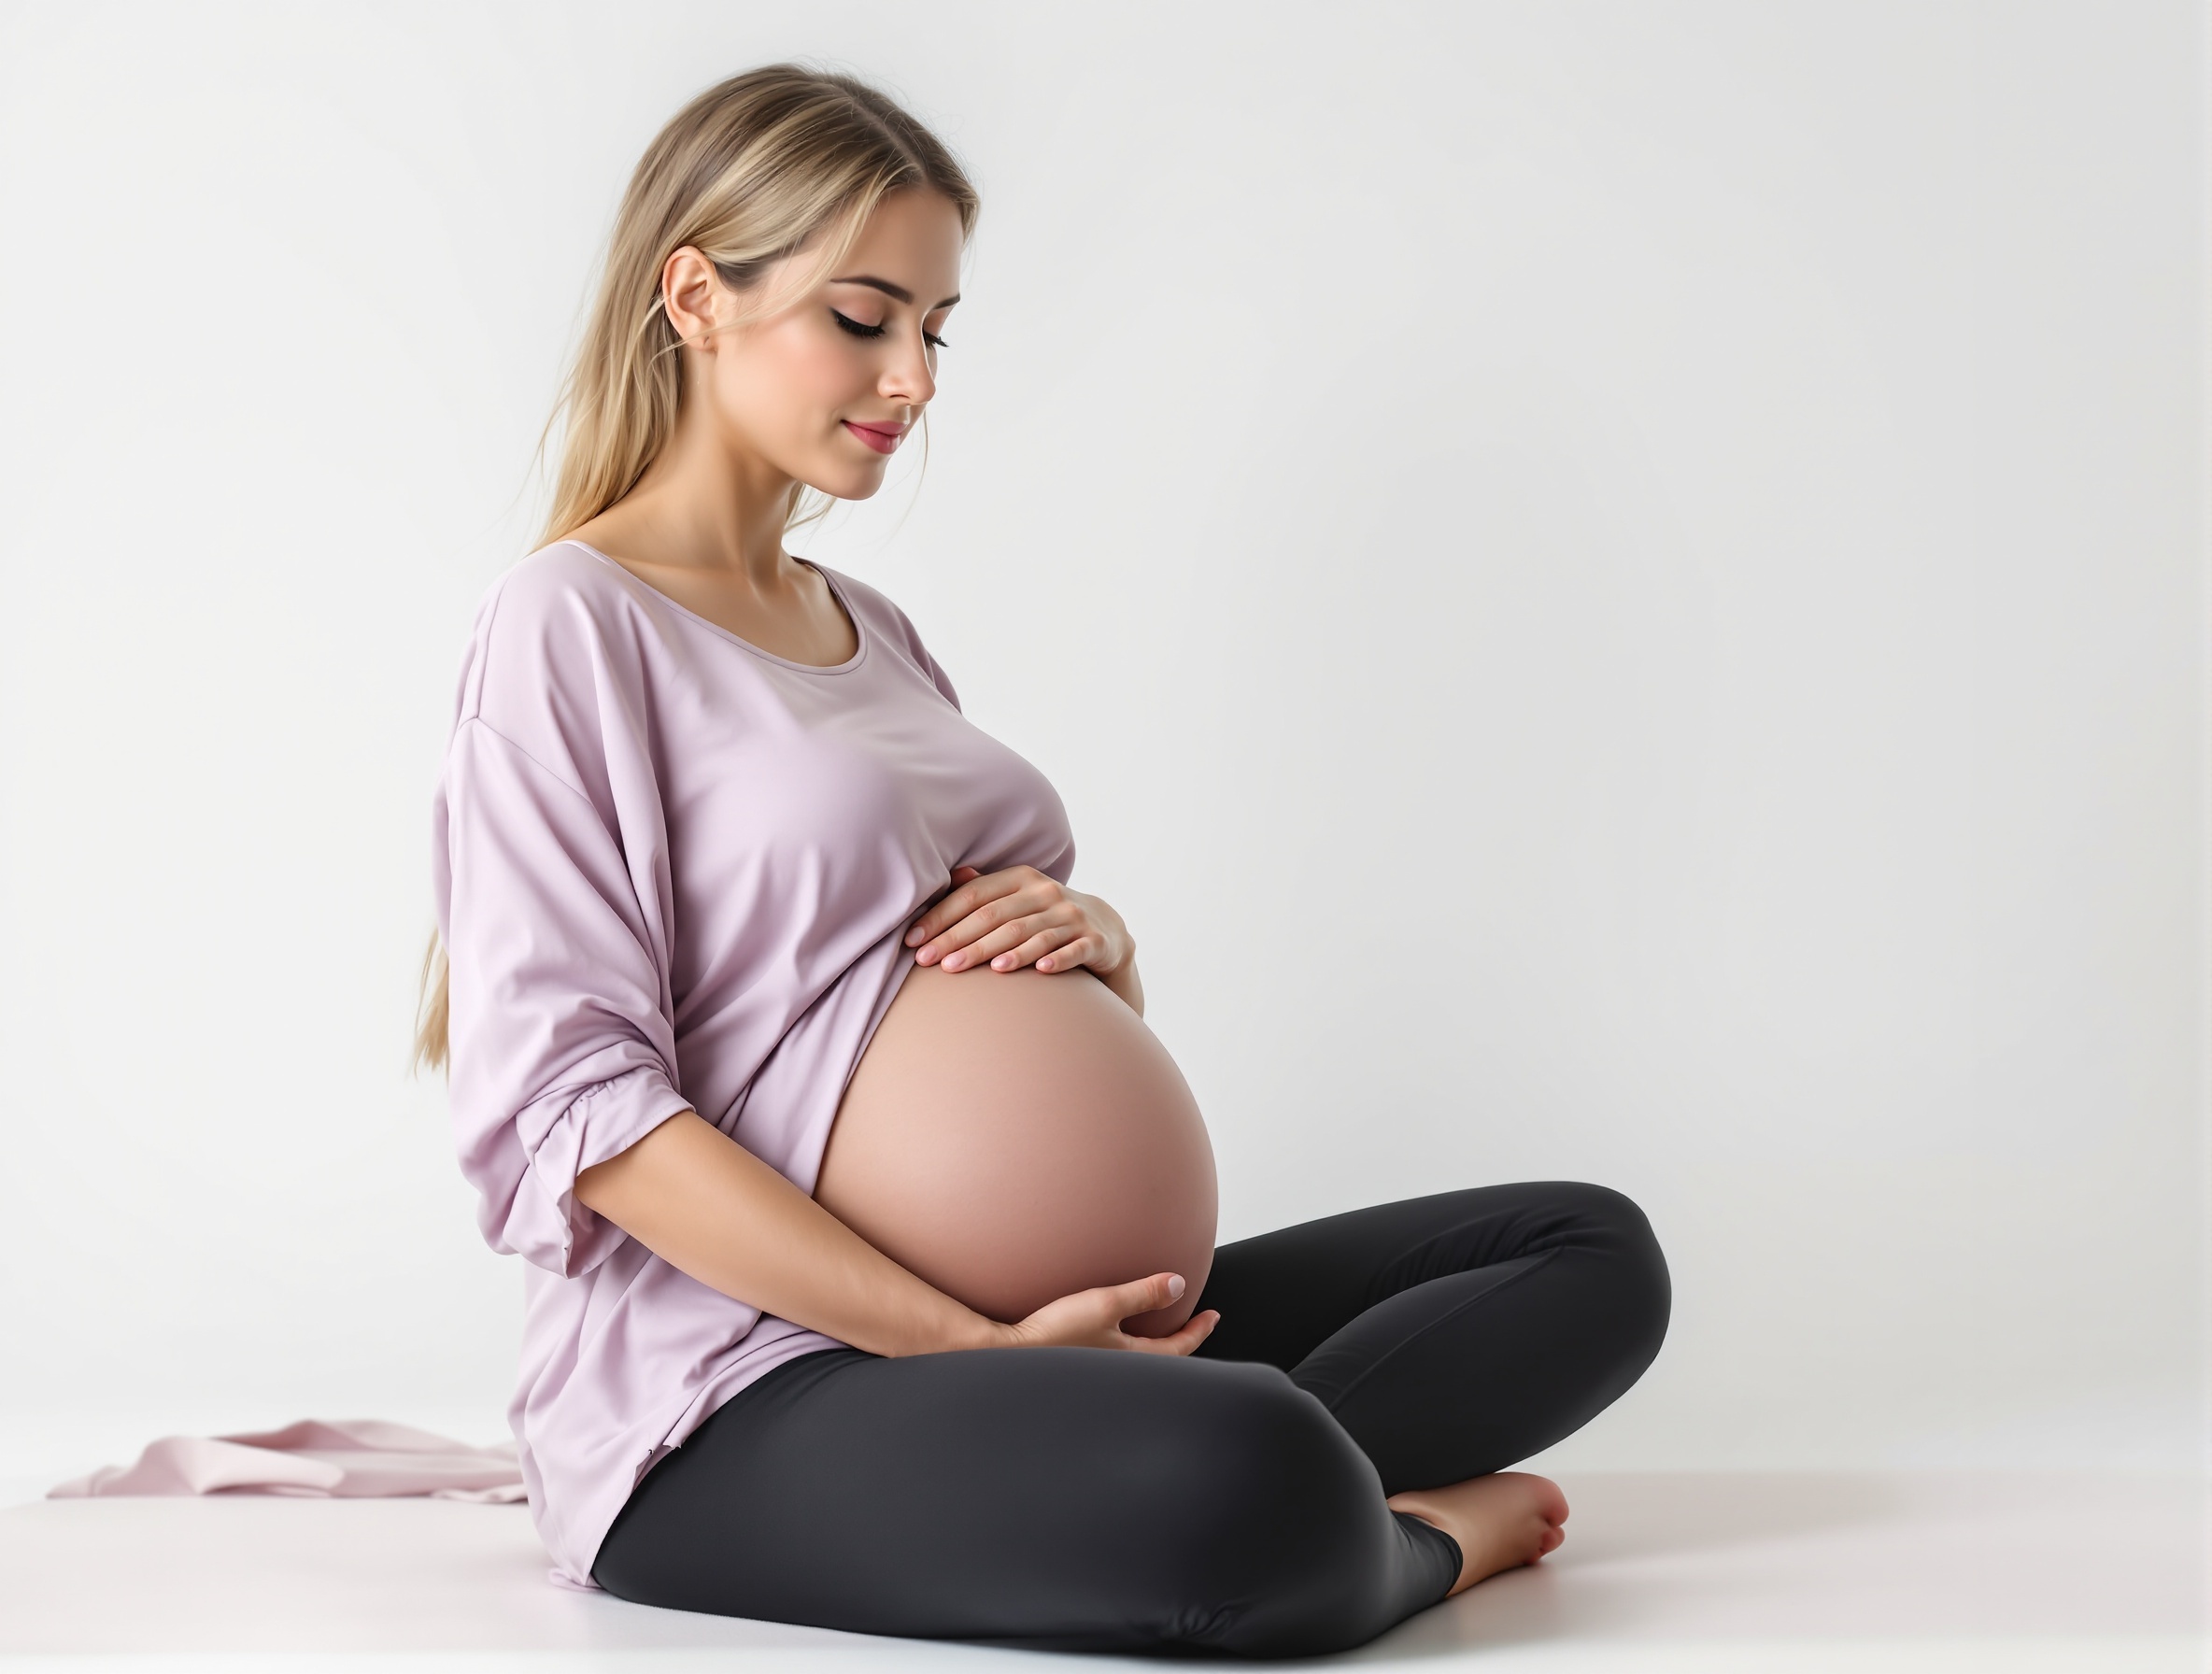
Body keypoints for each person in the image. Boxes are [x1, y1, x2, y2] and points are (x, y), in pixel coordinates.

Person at [416, 64, 1670, 1658]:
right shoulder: (570, 626)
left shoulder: (878, 636)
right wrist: (972, 1351)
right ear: (695, 296)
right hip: (749, 1387)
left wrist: (1098, 938)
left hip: (1060, 1332)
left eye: (934, 329)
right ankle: (1394, 1539)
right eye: (865, 317)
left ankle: (1181, 1469)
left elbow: (951, 969)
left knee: (1585, 1253)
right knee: (1252, 1464)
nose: (914, 378)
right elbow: (584, 1115)